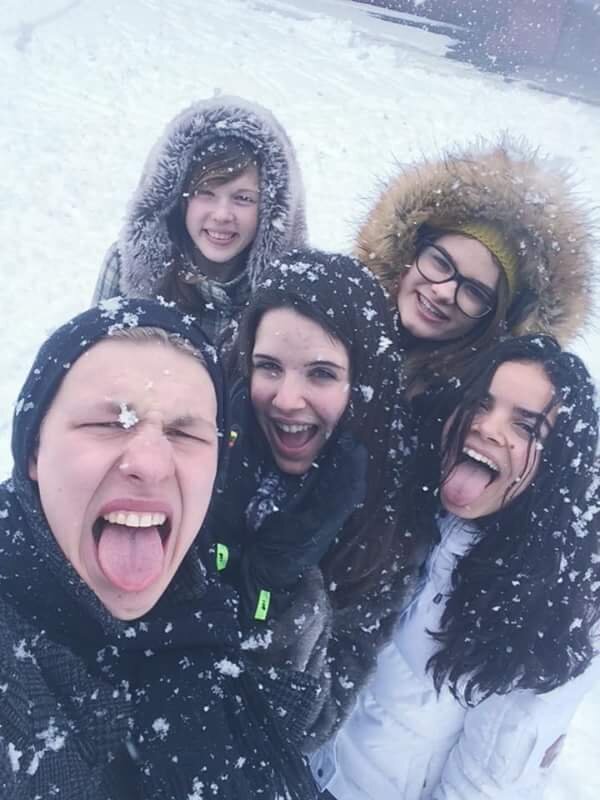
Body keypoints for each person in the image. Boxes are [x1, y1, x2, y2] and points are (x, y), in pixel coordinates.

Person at [0, 297, 317, 799]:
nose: (151, 464)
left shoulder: (211, 611)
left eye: (184, 433)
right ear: (34, 450)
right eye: (108, 424)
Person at [312, 334, 600, 799]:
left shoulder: (551, 602)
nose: (487, 427)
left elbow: (484, 786)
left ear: (558, 464)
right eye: (481, 403)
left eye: (526, 426)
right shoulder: (407, 515)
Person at [212, 248, 421, 750]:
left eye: (321, 374)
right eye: (268, 367)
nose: (287, 399)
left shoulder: (384, 519)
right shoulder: (201, 447)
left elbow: (309, 725)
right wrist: (217, 525)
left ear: (363, 384)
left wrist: (282, 586)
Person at [355, 138, 596, 394]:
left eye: (474, 291)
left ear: (495, 318)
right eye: (441, 262)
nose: (444, 292)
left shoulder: (478, 409)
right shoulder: (337, 323)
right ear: (408, 253)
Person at [92, 95, 307, 346]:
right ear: (177, 198)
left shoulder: (296, 288)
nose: (222, 215)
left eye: (243, 198)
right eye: (205, 193)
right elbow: (92, 359)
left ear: (270, 210)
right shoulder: (123, 265)